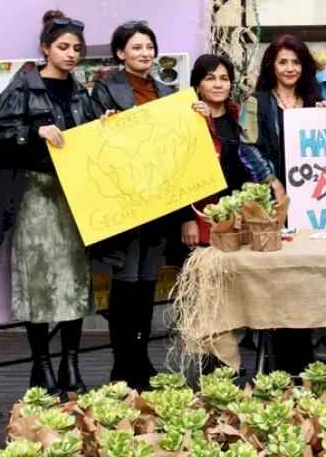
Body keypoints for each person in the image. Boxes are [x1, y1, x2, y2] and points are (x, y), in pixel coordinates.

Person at [0, 12, 96, 394]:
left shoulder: (81, 92)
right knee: (37, 282)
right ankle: (40, 365)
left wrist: (106, 122)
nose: (71, 54)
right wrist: (34, 132)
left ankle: (71, 363)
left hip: (76, 196)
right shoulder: (23, 87)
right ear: (45, 48)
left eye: (77, 49)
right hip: (36, 194)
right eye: (63, 47)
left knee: (75, 282)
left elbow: (93, 139)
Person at [88, 21, 183, 389]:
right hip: (125, 202)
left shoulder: (166, 91)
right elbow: (97, 143)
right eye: (137, 47)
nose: (145, 53)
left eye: (149, 47)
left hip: (159, 201)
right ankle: (122, 364)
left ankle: (141, 362)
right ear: (120, 53)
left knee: (146, 284)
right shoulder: (106, 89)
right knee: (124, 285)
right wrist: (105, 126)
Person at [241, 34, 325, 368]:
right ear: (272, 66)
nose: (289, 68)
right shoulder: (255, 102)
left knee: (307, 277)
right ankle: (279, 363)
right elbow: (245, 146)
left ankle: (306, 356)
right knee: (278, 279)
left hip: (314, 202)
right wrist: (271, 180)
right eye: (283, 62)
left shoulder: (315, 100)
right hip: (275, 204)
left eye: (295, 62)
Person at [187, 54, 282, 246]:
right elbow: (181, 175)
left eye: (224, 79)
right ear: (197, 85)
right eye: (210, 78)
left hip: (240, 216)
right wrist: (186, 220)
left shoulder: (241, 116)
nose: (218, 84)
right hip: (203, 216)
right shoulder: (189, 119)